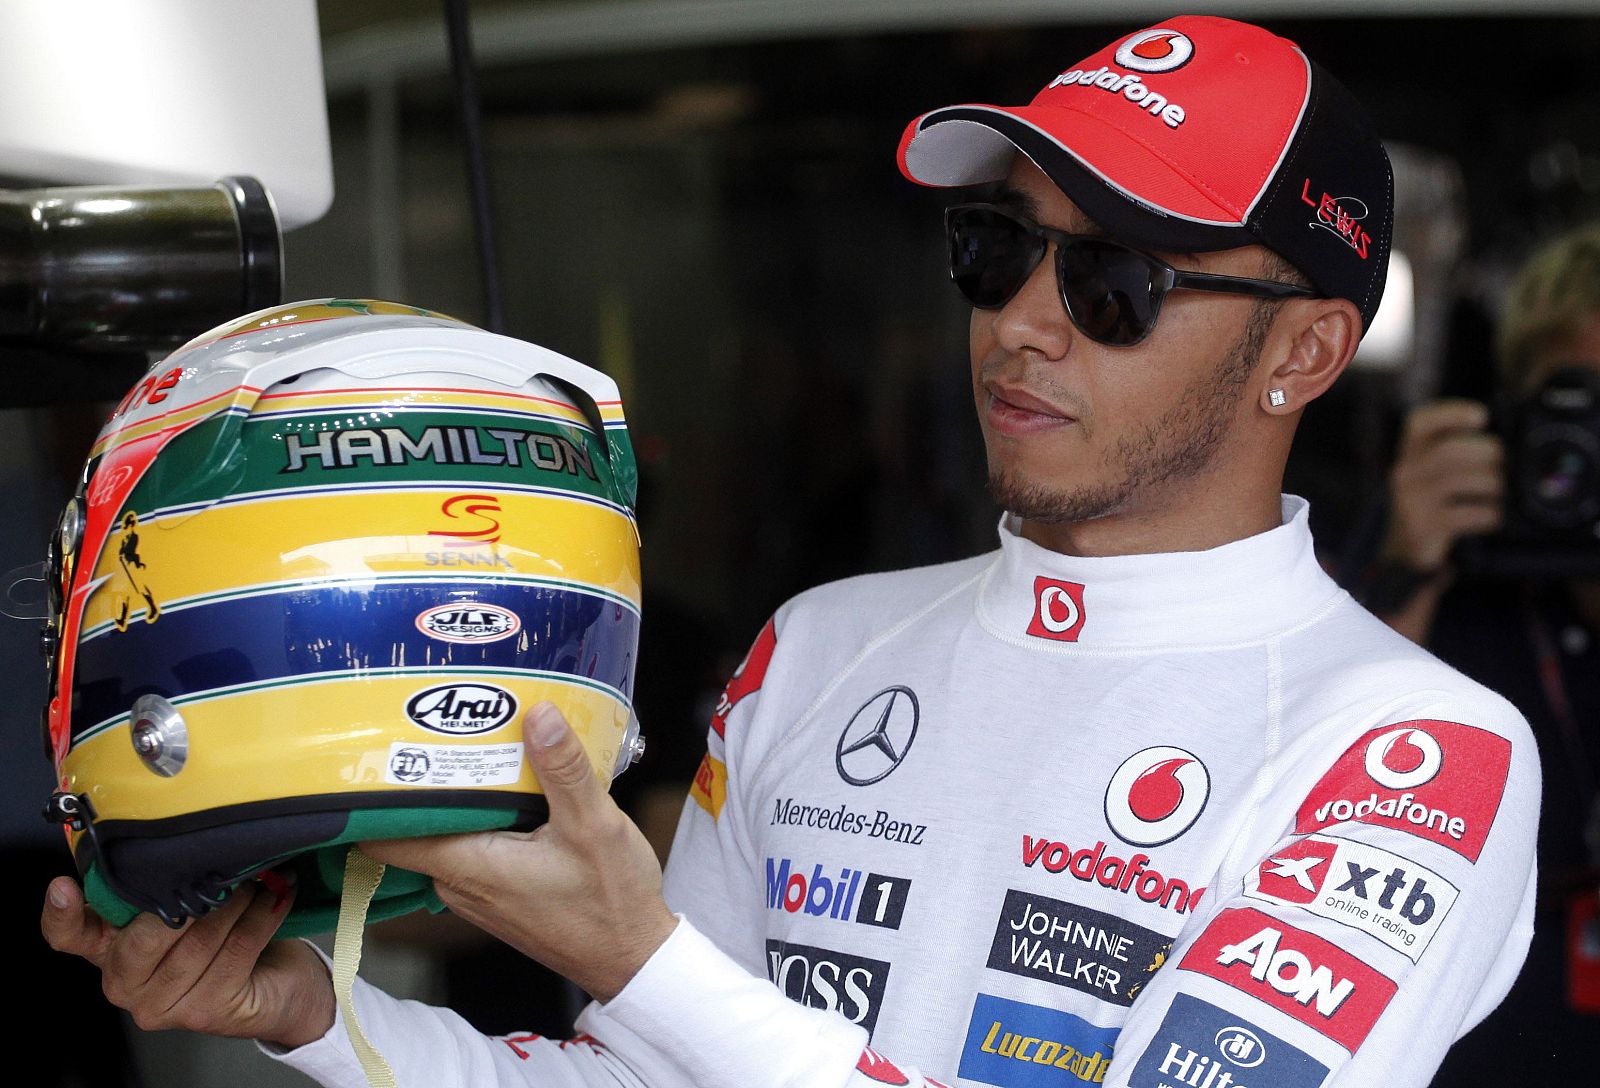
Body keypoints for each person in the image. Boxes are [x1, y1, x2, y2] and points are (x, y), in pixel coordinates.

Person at [42, 16, 1541, 1088]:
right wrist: (309, 1012)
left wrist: (644, 957)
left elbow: (670, 1002)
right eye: (995, 247)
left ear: (1308, 349)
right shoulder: (822, 644)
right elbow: (649, 1075)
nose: (1020, 317)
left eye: (1113, 280)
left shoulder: (1414, 751)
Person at [1355, 223, 1600, 1083]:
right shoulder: (1447, 570)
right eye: (1581, 405)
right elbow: (1319, 786)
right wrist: (1402, 571)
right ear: (1515, 418)